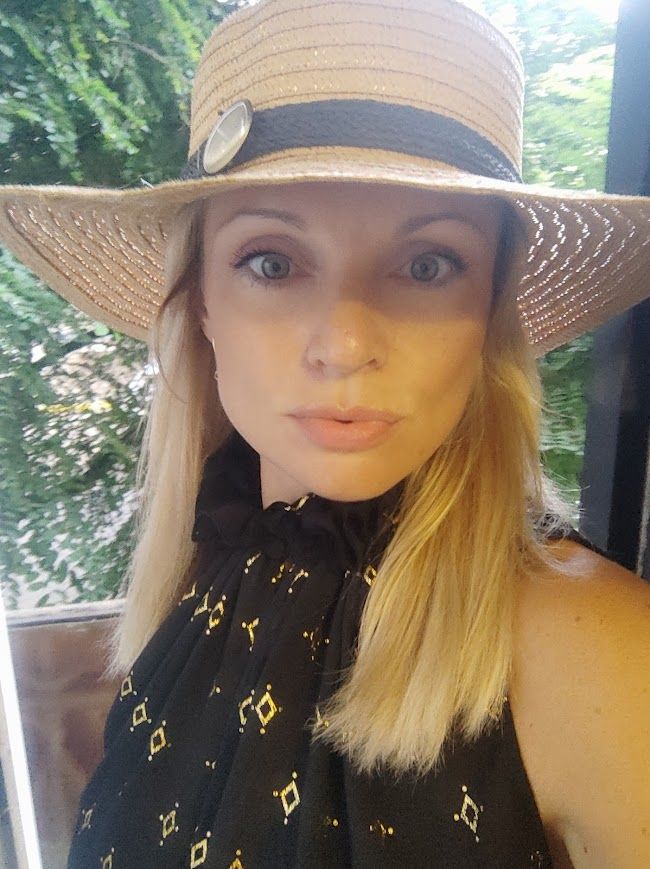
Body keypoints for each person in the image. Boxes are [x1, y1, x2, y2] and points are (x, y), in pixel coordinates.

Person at [0, 0, 648, 866]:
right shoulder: (204, 573)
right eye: (272, 262)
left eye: (428, 265)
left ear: (489, 311)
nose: (344, 344)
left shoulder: (600, 649)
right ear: (201, 304)